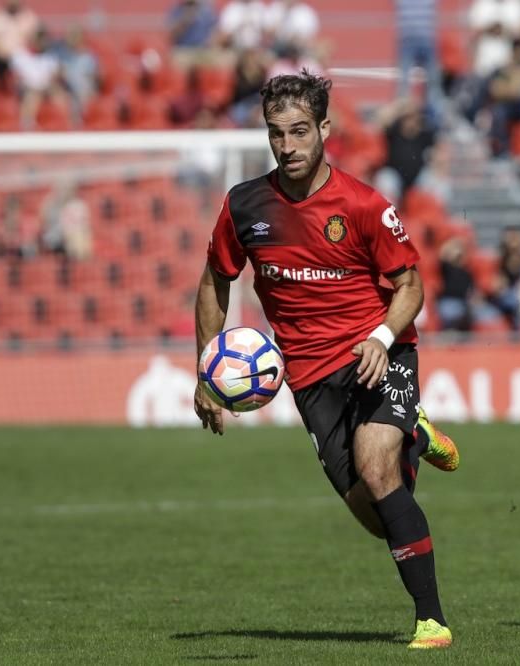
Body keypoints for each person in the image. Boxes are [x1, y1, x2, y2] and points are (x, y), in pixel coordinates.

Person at [194, 70, 459, 649]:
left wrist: (384, 337)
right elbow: (216, 281)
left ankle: (431, 620)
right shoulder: (245, 206)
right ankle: (414, 436)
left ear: (324, 130)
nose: (287, 146)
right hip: (310, 377)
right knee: (374, 513)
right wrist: (206, 371)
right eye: (276, 134)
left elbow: (410, 287)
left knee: (376, 464)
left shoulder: (363, 205)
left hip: (379, 353)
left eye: (298, 132)